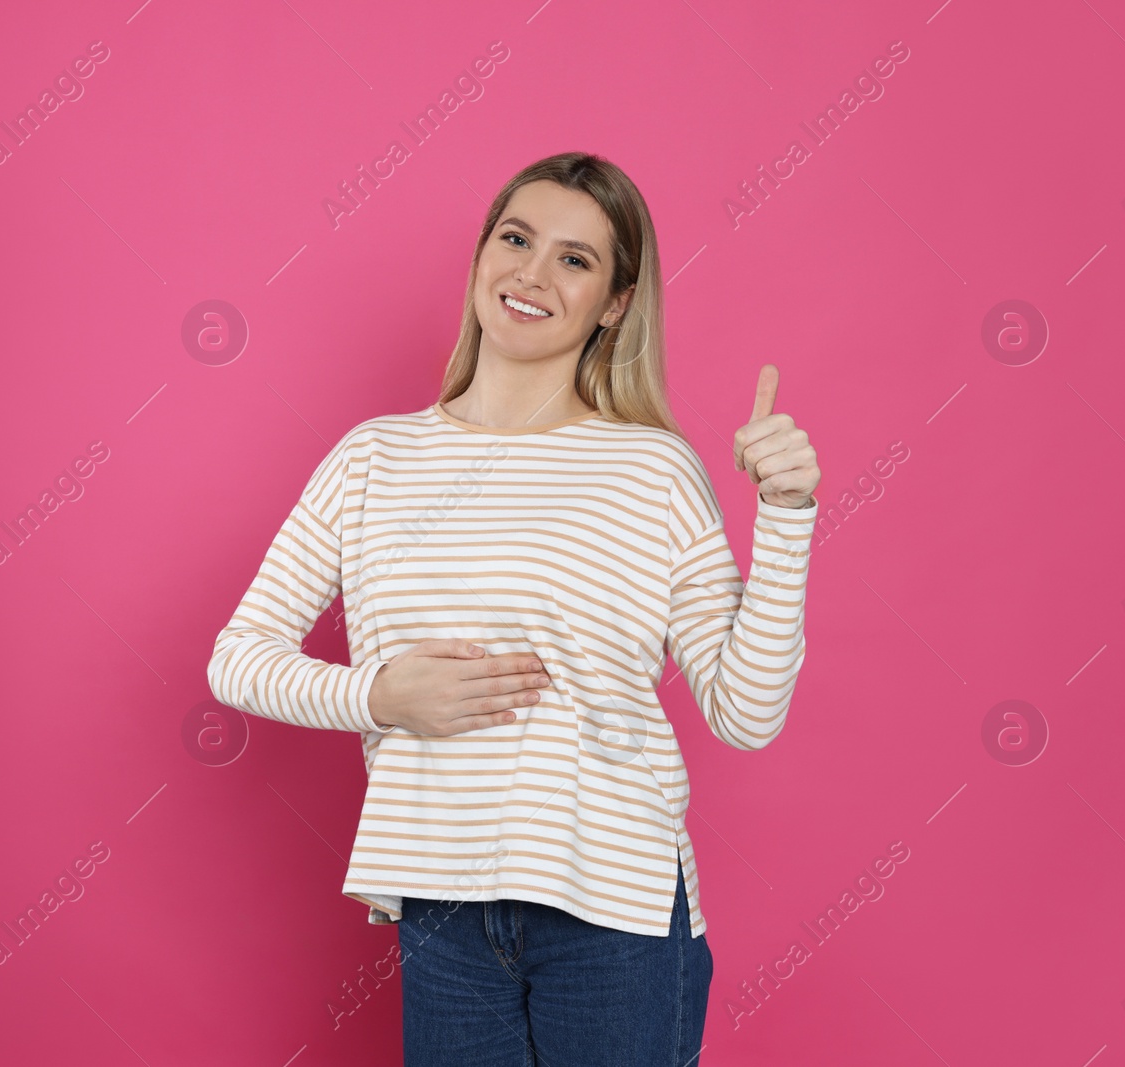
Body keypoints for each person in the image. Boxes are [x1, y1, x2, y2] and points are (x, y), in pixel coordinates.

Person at [207, 151, 820, 1066]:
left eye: (576, 259)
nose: (533, 273)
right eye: (517, 238)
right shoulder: (373, 458)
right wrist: (380, 696)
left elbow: (748, 713)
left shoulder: (652, 469)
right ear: (483, 255)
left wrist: (787, 517)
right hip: (440, 905)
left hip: (615, 914)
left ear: (616, 302)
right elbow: (237, 656)